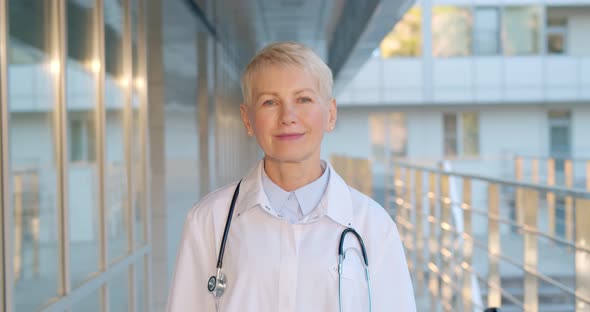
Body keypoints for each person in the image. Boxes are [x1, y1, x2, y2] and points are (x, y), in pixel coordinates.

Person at [166, 41, 416, 312]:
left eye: (303, 99)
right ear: (248, 119)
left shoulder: (373, 225)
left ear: (330, 114)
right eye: (270, 102)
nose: (288, 116)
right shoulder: (209, 219)